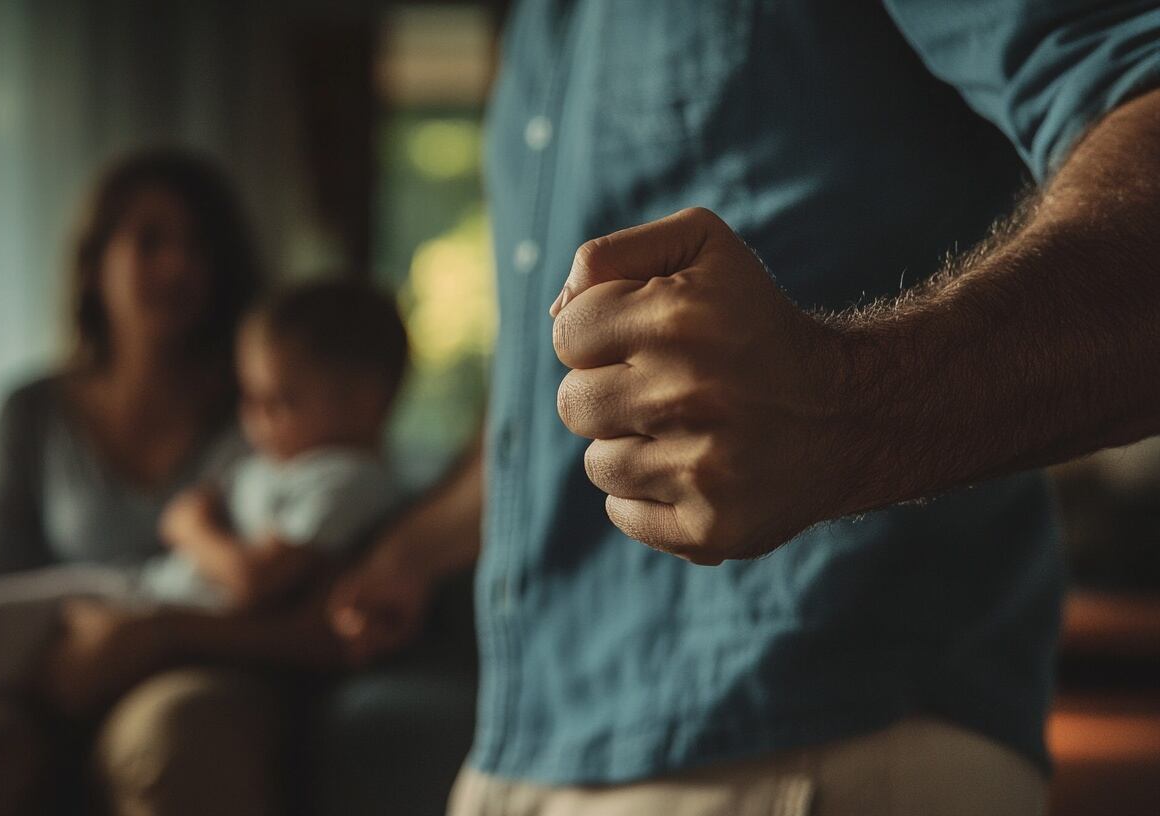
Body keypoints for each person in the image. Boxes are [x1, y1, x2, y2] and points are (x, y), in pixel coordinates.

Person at [330, 2, 1160, 814]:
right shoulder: (538, 26)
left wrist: (846, 409)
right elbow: (575, 406)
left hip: (815, 737)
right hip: (522, 745)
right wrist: (407, 550)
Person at [0, 148, 344, 816]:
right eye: (150, 241)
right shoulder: (32, 411)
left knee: (179, 734)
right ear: (95, 263)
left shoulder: (270, 415)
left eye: (199, 246)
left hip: (198, 672)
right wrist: (72, 666)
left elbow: (307, 603)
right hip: (37, 679)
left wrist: (153, 637)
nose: (178, 265)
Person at [0, 280, 406, 749]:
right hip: (151, 593)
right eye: (251, 397)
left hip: (171, 613)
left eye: (280, 400)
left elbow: (253, 578)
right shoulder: (287, 464)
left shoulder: (347, 481)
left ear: (365, 401)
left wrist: (191, 528)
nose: (255, 419)